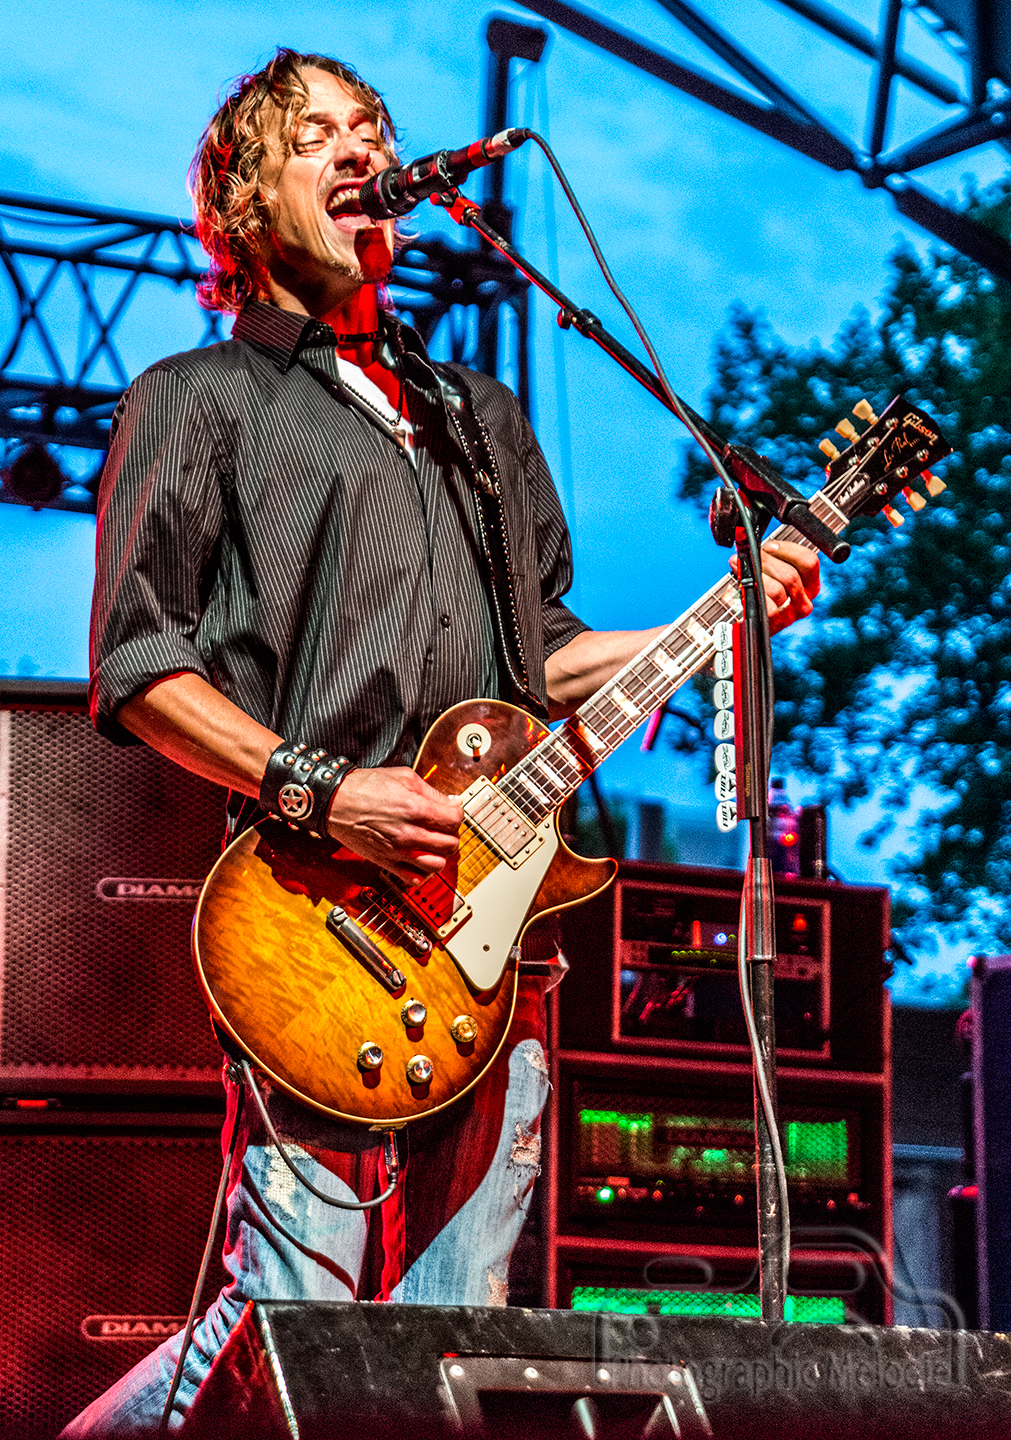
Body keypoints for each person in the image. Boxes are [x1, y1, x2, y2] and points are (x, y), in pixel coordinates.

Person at [60, 48, 819, 1435]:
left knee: (454, 1350)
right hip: (312, 913)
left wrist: (720, 619)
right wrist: (325, 790)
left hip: (492, 933)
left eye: (373, 128)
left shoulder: (483, 420)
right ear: (245, 202)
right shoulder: (198, 398)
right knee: (287, 1333)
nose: (361, 150)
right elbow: (136, 664)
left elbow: (544, 657)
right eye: (317, 135)